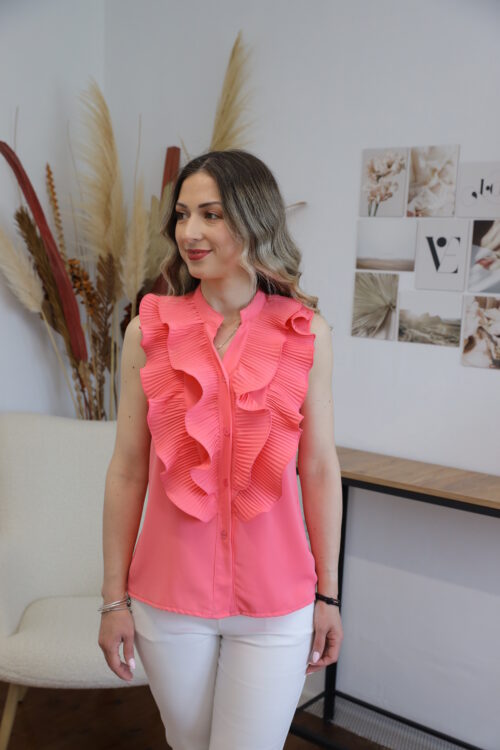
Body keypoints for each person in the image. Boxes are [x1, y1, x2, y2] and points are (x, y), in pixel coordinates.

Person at [98, 149, 344, 750]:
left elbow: (317, 467)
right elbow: (128, 471)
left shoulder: (304, 332)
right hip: (167, 602)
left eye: (210, 215)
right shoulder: (147, 331)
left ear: (254, 220)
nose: (190, 232)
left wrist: (329, 594)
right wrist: (112, 601)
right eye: (183, 215)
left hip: (277, 604)